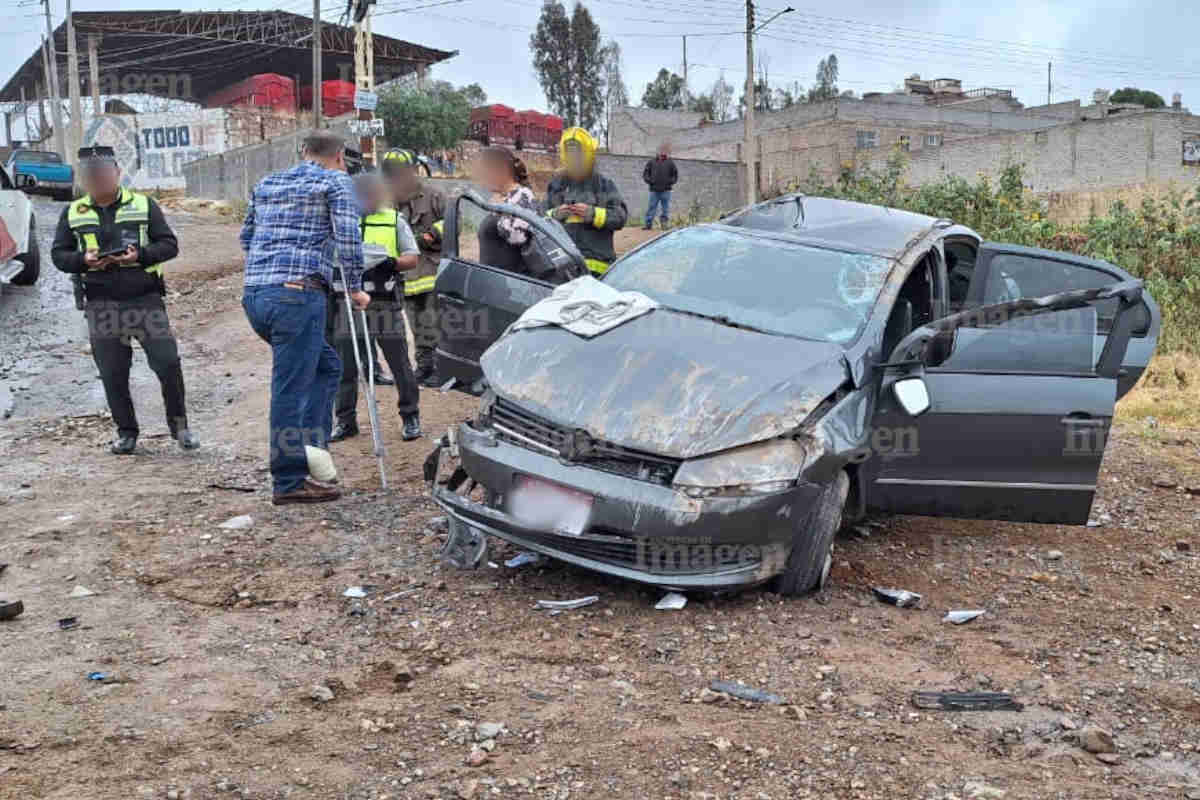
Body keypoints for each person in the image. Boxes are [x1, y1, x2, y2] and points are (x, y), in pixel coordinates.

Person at [240, 130, 368, 506]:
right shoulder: (336, 181)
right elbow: (348, 238)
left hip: (257, 296)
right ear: (340, 156)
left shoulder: (267, 182)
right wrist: (356, 287)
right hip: (297, 296)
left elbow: (247, 237)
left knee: (326, 366)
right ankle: (289, 479)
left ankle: (313, 450)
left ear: (302, 152)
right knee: (290, 388)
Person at [50, 145, 198, 456]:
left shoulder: (144, 205)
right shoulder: (73, 212)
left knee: (168, 363)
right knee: (113, 371)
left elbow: (169, 245)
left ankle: (180, 426)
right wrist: (84, 260)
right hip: (101, 303)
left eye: (104, 173)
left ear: (117, 173)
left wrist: (140, 255)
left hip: (144, 298)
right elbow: (58, 256)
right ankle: (127, 432)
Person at [329, 171, 422, 443]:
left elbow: (412, 258)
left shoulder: (394, 220)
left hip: (383, 302)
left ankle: (410, 416)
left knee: (399, 363)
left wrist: (391, 263)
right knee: (346, 365)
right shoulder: (340, 222)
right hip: (349, 302)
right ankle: (345, 421)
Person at [381, 147, 446, 387]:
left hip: (431, 270)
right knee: (416, 324)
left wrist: (432, 235)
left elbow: (452, 223)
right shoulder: (388, 200)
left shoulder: (434, 195)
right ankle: (424, 366)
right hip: (406, 274)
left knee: (434, 322)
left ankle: (440, 368)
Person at [544, 127, 627, 276]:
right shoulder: (556, 185)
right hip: (563, 267)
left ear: (588, 154)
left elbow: (620, 216)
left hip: (596, 269)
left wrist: (593, 214)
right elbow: (541, 217)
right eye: (570, 153)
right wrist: (556, 214)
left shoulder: (603, 185)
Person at [476, 146, 539, 273]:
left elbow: (517, 237)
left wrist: (500, 210)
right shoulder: (503, 198)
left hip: (512, 283)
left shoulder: (523, 195)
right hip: (495, 280)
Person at [642, 143, 678, 230]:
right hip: (654, 190)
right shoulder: (651, 162)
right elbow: (645, 174)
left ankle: (664, 226)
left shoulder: (670, 163)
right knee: (651, 208)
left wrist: (670, 182)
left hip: (666, 190)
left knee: (665, 209)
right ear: (658, 152)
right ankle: (648, 225)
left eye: (664, 151)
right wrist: (650, 181)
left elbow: (675, 175)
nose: (662, 152)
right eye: (661, 151)